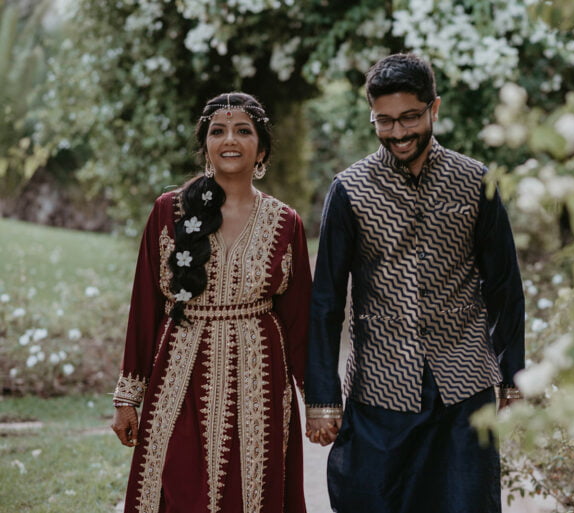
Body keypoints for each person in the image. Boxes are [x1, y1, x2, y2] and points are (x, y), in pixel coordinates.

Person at [304, 53, 526, 512]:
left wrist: (513, 375)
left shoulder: (476, 181)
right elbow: (326, 299)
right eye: (384, 121)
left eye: (409, 117)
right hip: (381, 384)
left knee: (465, 503)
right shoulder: (350, 190)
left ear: (434, 108)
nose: (399, 133)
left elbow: (503, 283)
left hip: (464, 386)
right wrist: (322, 396)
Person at [110, 92, 310, 513]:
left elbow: (299, 320)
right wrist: (128, 397)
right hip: (180, 376)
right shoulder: (170, 211)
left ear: (263, 147)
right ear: (205, 146)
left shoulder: (285, 222)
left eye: (243, 130)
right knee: (176, 486)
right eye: (217, 131)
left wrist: (321, 402)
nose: (229, 140)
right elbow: (145, 306)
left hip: (261, 380)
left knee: (253, 489)